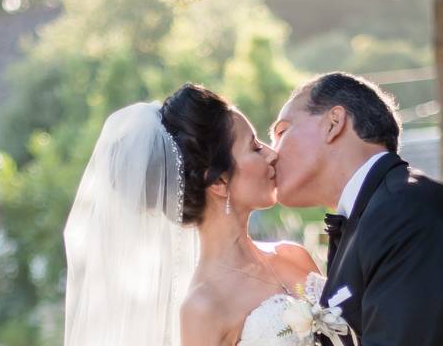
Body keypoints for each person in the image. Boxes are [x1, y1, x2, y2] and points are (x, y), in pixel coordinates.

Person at [63, 83, 344, 346]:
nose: (272, 155)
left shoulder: (293, 255)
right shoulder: (203, 307)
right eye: (255, 147)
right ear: (219, 182)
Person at [271, 72, 443, 345]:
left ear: (333, 123)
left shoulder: (406, 210)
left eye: (281, 132)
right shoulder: (375, 211)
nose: (271, 152)